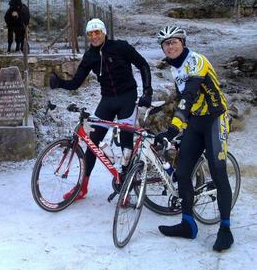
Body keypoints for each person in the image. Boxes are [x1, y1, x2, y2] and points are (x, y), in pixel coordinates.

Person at [49, 18, 152, 200]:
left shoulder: (120, 47)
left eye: (97, 32)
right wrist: (60, 83)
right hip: (107, 100)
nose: (94, 36)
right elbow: (75, 83)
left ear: (104, 32)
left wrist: (147, 91)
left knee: (126, 143)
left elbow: (142, 64)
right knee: (92, 142)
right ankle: (82, 187)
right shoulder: (90, 56)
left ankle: (126, 189)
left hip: (127, 97)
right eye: (90, 33)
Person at [154, 26, 233, 252]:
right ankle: (188, 224)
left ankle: (226, 229)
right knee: (182, 172)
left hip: (215, 118)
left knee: (217, 171)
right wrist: (179, 128)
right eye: (166, 43)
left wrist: (173, 128)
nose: (170, 46)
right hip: (197, 122)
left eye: (174, 41)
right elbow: (183, 100)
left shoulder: (197, 61)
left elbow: (189, 95)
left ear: (183, 42)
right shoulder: (175, 69)